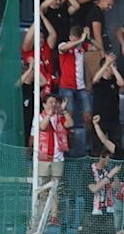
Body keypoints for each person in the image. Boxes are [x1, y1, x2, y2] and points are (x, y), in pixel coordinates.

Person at [37, 94, 73, 226]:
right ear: (44, 104)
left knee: (55, 187)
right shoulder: (40, 116)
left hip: (58, 158)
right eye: (50, 102)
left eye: (55, 102)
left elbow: (70, 123)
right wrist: (49, 114)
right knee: (43, 188)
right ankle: (41, 215)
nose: (53, 104)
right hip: (44, 157)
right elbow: (42, 127)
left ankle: (54, 215)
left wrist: (63, 110)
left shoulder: (59, 117)